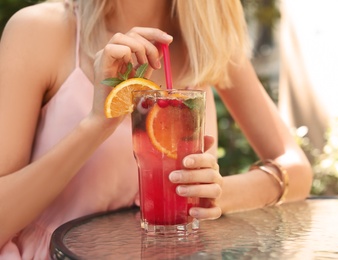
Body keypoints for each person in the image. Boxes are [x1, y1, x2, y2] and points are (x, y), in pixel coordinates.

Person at [0, 0, 313, 258]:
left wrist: (217, 194)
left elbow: (297, 171)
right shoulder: (41, 30)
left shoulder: (208, 40)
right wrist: (96, 124)